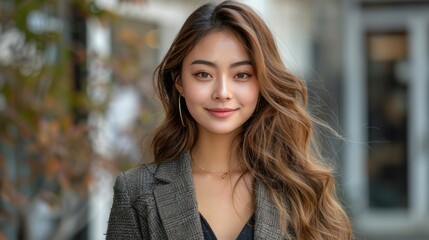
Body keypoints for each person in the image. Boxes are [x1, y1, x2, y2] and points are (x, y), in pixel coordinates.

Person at [106, 1, 352, 239]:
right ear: (179, 82)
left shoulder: (301, 189)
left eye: (241, 75)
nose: (222, 92)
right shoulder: (137, 193)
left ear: (262, 83)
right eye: (203, 74)